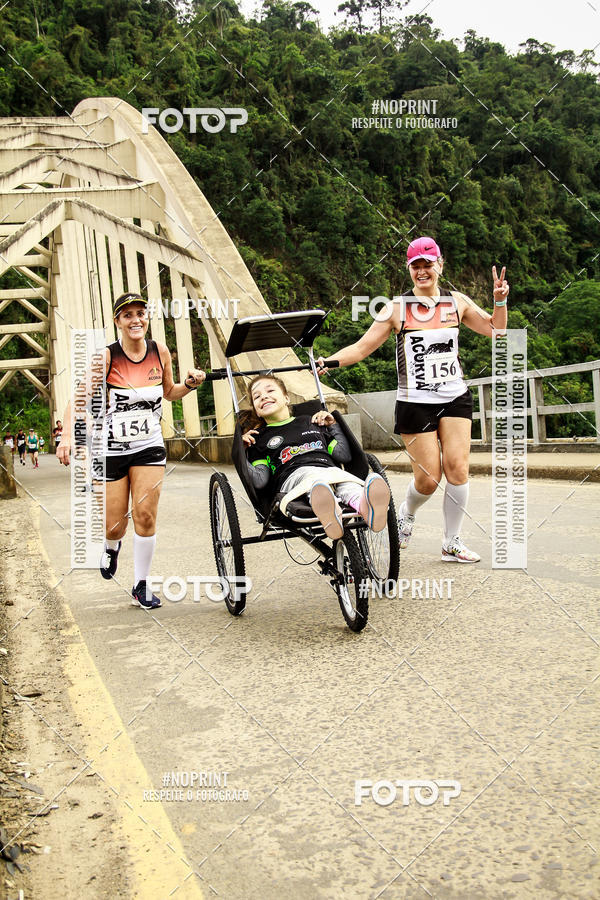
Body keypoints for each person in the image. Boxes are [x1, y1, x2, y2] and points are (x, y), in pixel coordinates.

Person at [317, 236, 509, 563]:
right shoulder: (396, 309)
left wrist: (499, 301)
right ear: (409, 270)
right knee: (429, 478)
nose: (422, 271)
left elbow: (496, 331)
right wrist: (329, 361)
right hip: (415, 402)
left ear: (440, 265)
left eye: (427, 265)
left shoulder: (456, 302)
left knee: (458, 469)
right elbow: (362, 348)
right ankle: (406, 512)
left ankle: (451, 541)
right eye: (415, 266)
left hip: (455, 397)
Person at [57, 291, 206, 609]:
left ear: (146, 317)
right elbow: (79, 399)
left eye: (141, 313)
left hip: (149, 446)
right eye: (128, 315)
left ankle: (141, 585)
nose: (135, 319)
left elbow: (169, 392)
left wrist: (191, 384)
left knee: (145, 515)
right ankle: (112, 548)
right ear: (118, 322)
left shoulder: (159, 351)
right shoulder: (107, 357)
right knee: (115, 524)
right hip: (111, 448)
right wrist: (68, 435)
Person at [242, 374, 390, 538]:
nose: (264, 396)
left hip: (328, 471)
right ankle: (328, 508)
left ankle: (364, 507)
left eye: (270, 390)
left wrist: (333, 426)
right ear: (256, 410)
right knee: (315, 481)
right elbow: (260, 480)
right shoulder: (259, 438)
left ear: (286, 398)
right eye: (257, 396)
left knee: (345, 483)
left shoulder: (311, 421)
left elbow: (343, 455)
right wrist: (243, 452)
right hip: (292, 479)